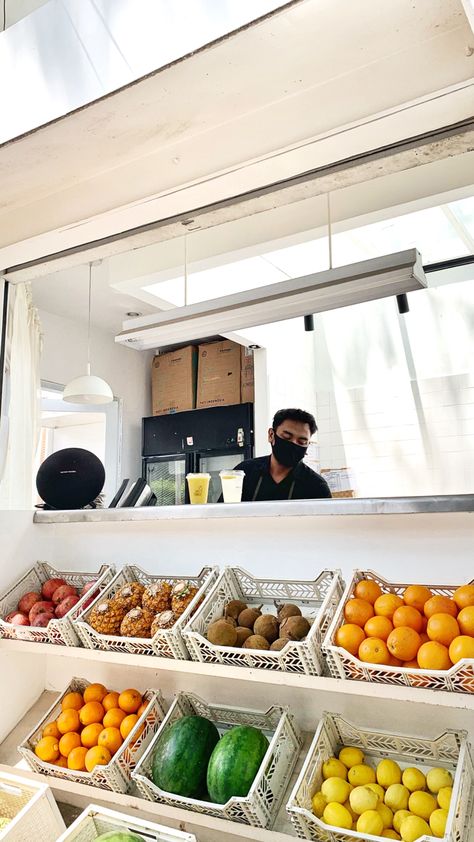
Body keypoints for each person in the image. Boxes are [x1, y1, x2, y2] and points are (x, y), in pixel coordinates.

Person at [233, 407, 331, 502]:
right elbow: (223, 514)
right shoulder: (244, 472)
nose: (293, 444)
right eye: (287, 437)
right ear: (271, 435)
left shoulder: (317, 487)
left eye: (301, 442)